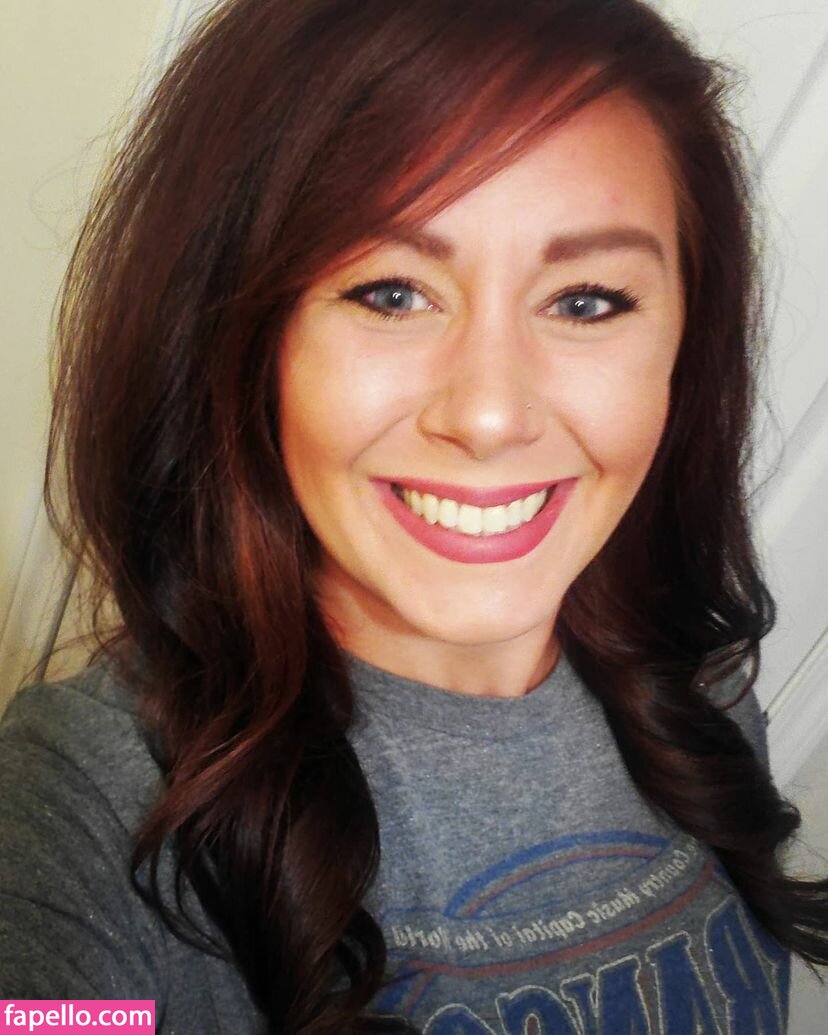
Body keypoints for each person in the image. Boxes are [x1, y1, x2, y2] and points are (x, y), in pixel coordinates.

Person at [1, 0, 827, 1031]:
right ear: (244, 337)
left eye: (586, 301)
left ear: (683, 348)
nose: (488, 415)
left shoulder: (702, 690)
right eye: (391, 293)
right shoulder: (88, 800)